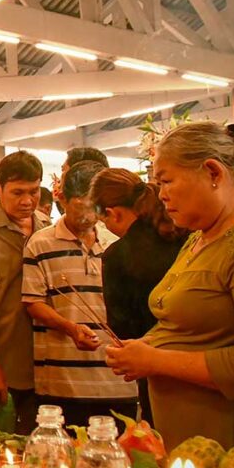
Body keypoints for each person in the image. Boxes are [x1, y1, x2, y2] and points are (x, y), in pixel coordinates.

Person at [106, 122, 234, 449]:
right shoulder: (201, 236)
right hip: (192, 439)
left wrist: (155, 360)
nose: (161, 195)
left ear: (213, 172)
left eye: (166, 181)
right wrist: (145, 345)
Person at [22, 161, 137, 428]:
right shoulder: (40, 243)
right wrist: (71, 328)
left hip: (118, 379)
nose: (88, 216)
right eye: (80, 206)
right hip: (62, 382)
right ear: (63, 199)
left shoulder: (118, 241)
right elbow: (33, 302)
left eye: (94, 207)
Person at [91, 168, 188, 425]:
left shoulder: (118, 256)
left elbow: (122, 330)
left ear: (112, 213)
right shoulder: (185, 237)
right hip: (202, 367)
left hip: (155, 371)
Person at [0, 151, 50, 434]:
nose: (28, 201)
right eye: (18, 192)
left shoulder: (49, 229)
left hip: (47, 367)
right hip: (0, 363)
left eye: (34, 191)